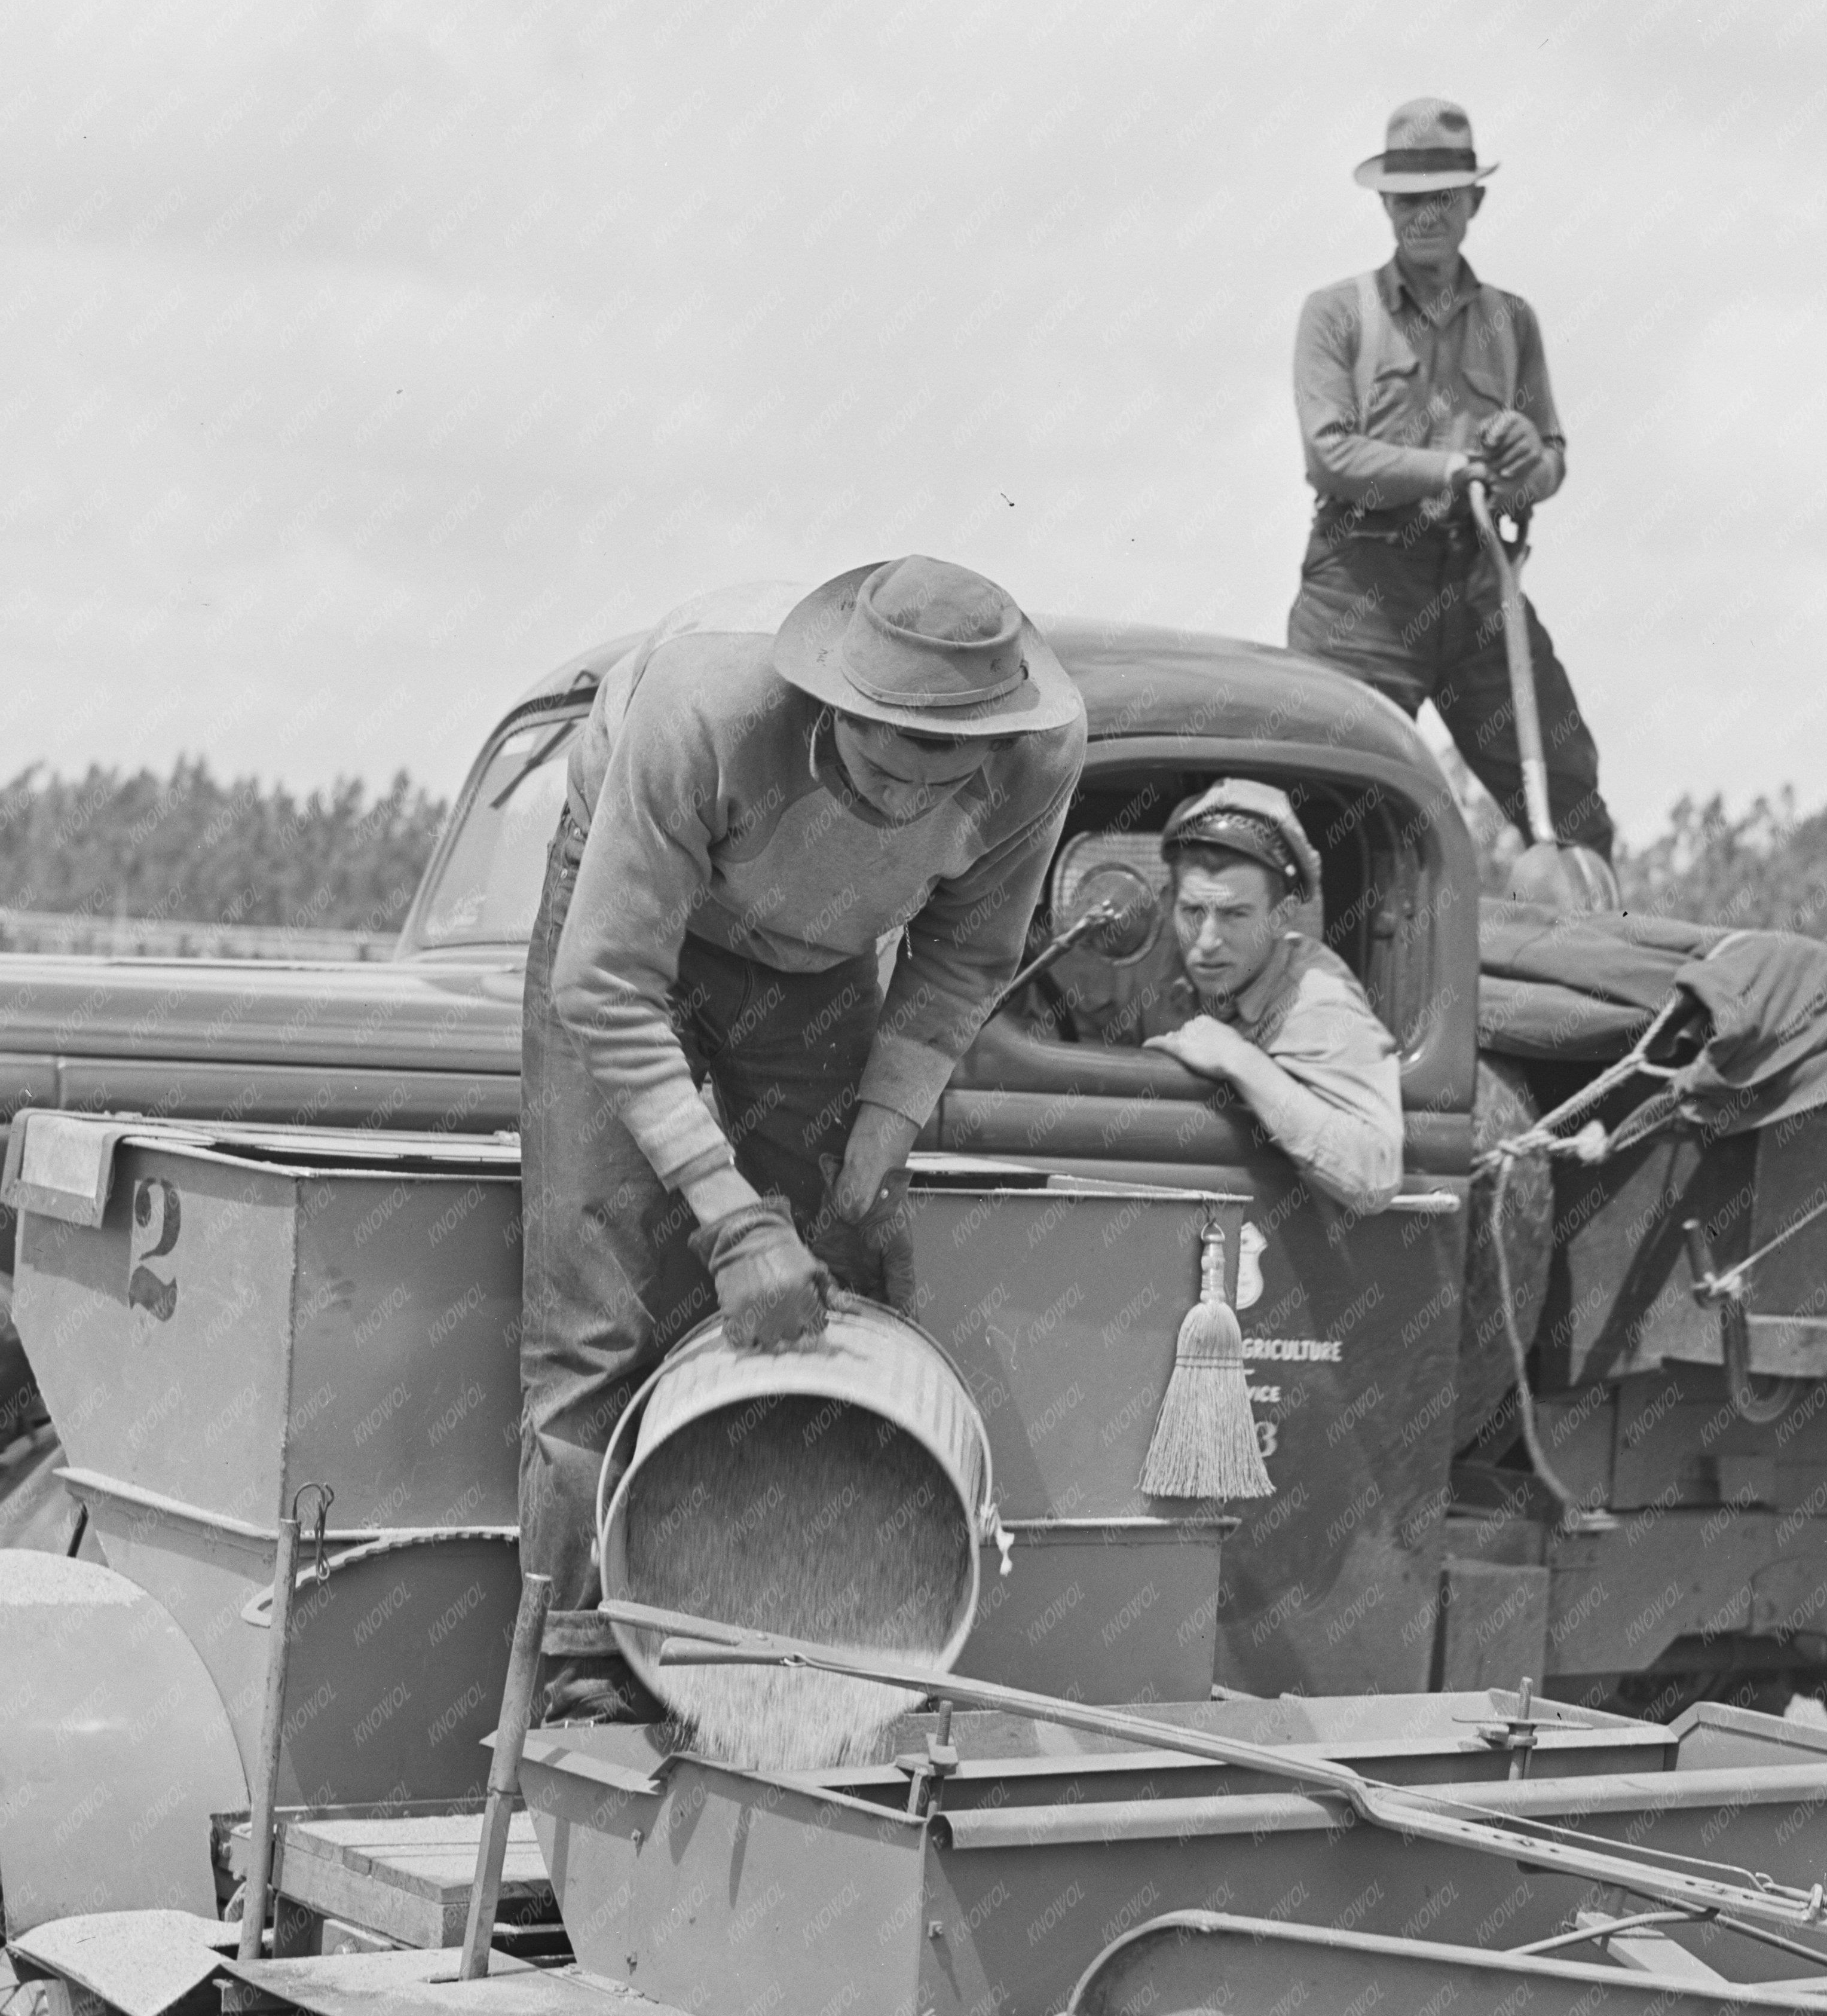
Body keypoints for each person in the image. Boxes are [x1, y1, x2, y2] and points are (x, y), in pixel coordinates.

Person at [521, 558, 1086, 1668]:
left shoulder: (1040, 757)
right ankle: (582, 1672)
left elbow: (965, 957)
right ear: (833, 704)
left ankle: (817, 1645)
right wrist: (731, 1220)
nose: (913, 793)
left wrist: (872, 1152)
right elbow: (606, 985)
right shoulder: (708, 710)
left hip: (822, 954)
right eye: (888, 750)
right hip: (635, 927)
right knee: (597, 1317)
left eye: (948, 759)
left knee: (847, 1272)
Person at [1286, 96, 1616, 867]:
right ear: (1384, 204)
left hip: (1478, 584)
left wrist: (1521, 462)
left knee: (1569, 807)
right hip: (1359, 593)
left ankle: (1589, 970)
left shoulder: (1513, 321)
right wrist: (1459, 465)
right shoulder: (1336, 314)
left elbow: (1549, 464)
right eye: (1407, 200)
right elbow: (1329, 455)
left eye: (1440, 198)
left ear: (1474, 202)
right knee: (1325, 813)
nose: (1423, 216)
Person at [1145, 781, 1409, 1211]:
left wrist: (1240, 1060)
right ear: (1170, 903)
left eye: (1235, 915)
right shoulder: (1164, 965)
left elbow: (1375, 1173)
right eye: (1193, 911)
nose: (1208, 940)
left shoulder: (1317, 1004)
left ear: (1280, 916)